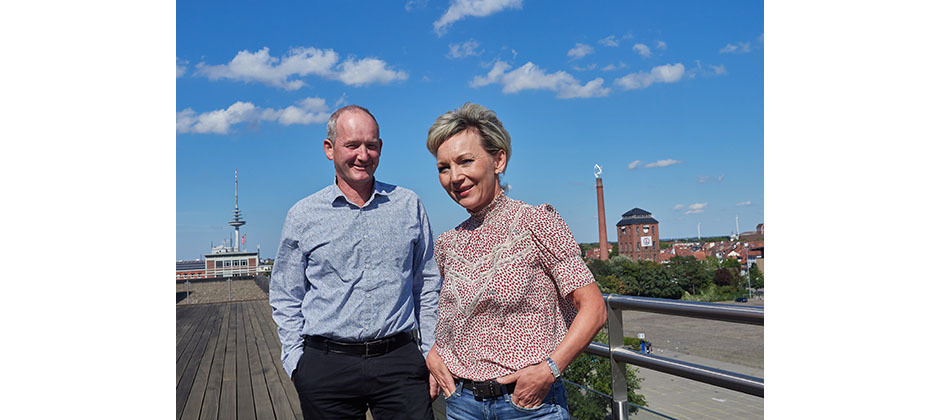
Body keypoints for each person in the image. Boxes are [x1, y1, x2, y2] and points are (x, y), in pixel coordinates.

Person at [424, 103, 607, 419]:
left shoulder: (536, 223)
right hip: (462, 404)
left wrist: (549, 370)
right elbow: (454, 318)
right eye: (444, 167)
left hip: (529, 404)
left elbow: (594, 308)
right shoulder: (447, 243)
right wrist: (435, 354)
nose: (455, 177)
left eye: (465, 161)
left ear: (498, 159)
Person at [270, 105, 441, 420]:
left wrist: (430, 352)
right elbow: (286, 293)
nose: (363, 155)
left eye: (371, 145)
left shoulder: (408, 204)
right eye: (352, 145)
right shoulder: (303, 215)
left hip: (400, 361)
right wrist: (296, 364)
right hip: (327, 365)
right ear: (329, 148)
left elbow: (427, 284)